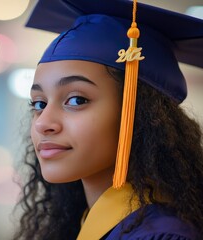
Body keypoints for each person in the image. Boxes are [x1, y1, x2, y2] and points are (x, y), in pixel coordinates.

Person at [13, 0, 203, 239]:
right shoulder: (83, 225)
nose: (43, 123)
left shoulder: (161, 234)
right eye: (39, 104)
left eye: (76, 100)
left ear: (140, 114)